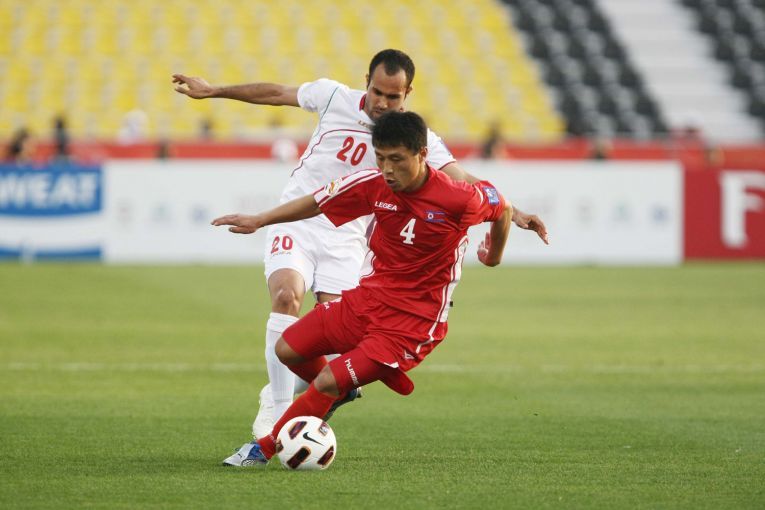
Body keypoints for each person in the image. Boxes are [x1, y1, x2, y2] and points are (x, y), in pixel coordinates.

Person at [173, 49, 548, 441]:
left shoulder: (415, 138)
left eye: (393, 97)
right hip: (300, 221)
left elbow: (465, 182)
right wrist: (213, 91)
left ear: (407, 94)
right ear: (366, 82)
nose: (382, 103)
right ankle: (276, 414)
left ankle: (308, 397)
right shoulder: (332, 96)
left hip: (349, 238)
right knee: (286, 296)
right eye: (377, 92)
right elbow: (276, 93)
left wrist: (516, 213)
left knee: (336, 349)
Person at [213, 111, 513, 466]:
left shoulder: (459, 198)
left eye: (396, 159)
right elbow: (318, 201)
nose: (387, 169)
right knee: (287, 349)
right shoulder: (374, 184)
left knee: (327, 380)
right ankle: (346, 387)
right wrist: (260, 219)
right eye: (381, 158)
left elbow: (503, 207)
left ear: (422, 154)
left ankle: (262, 449)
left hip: (413, 323)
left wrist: (493, 257)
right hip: (368, 301)